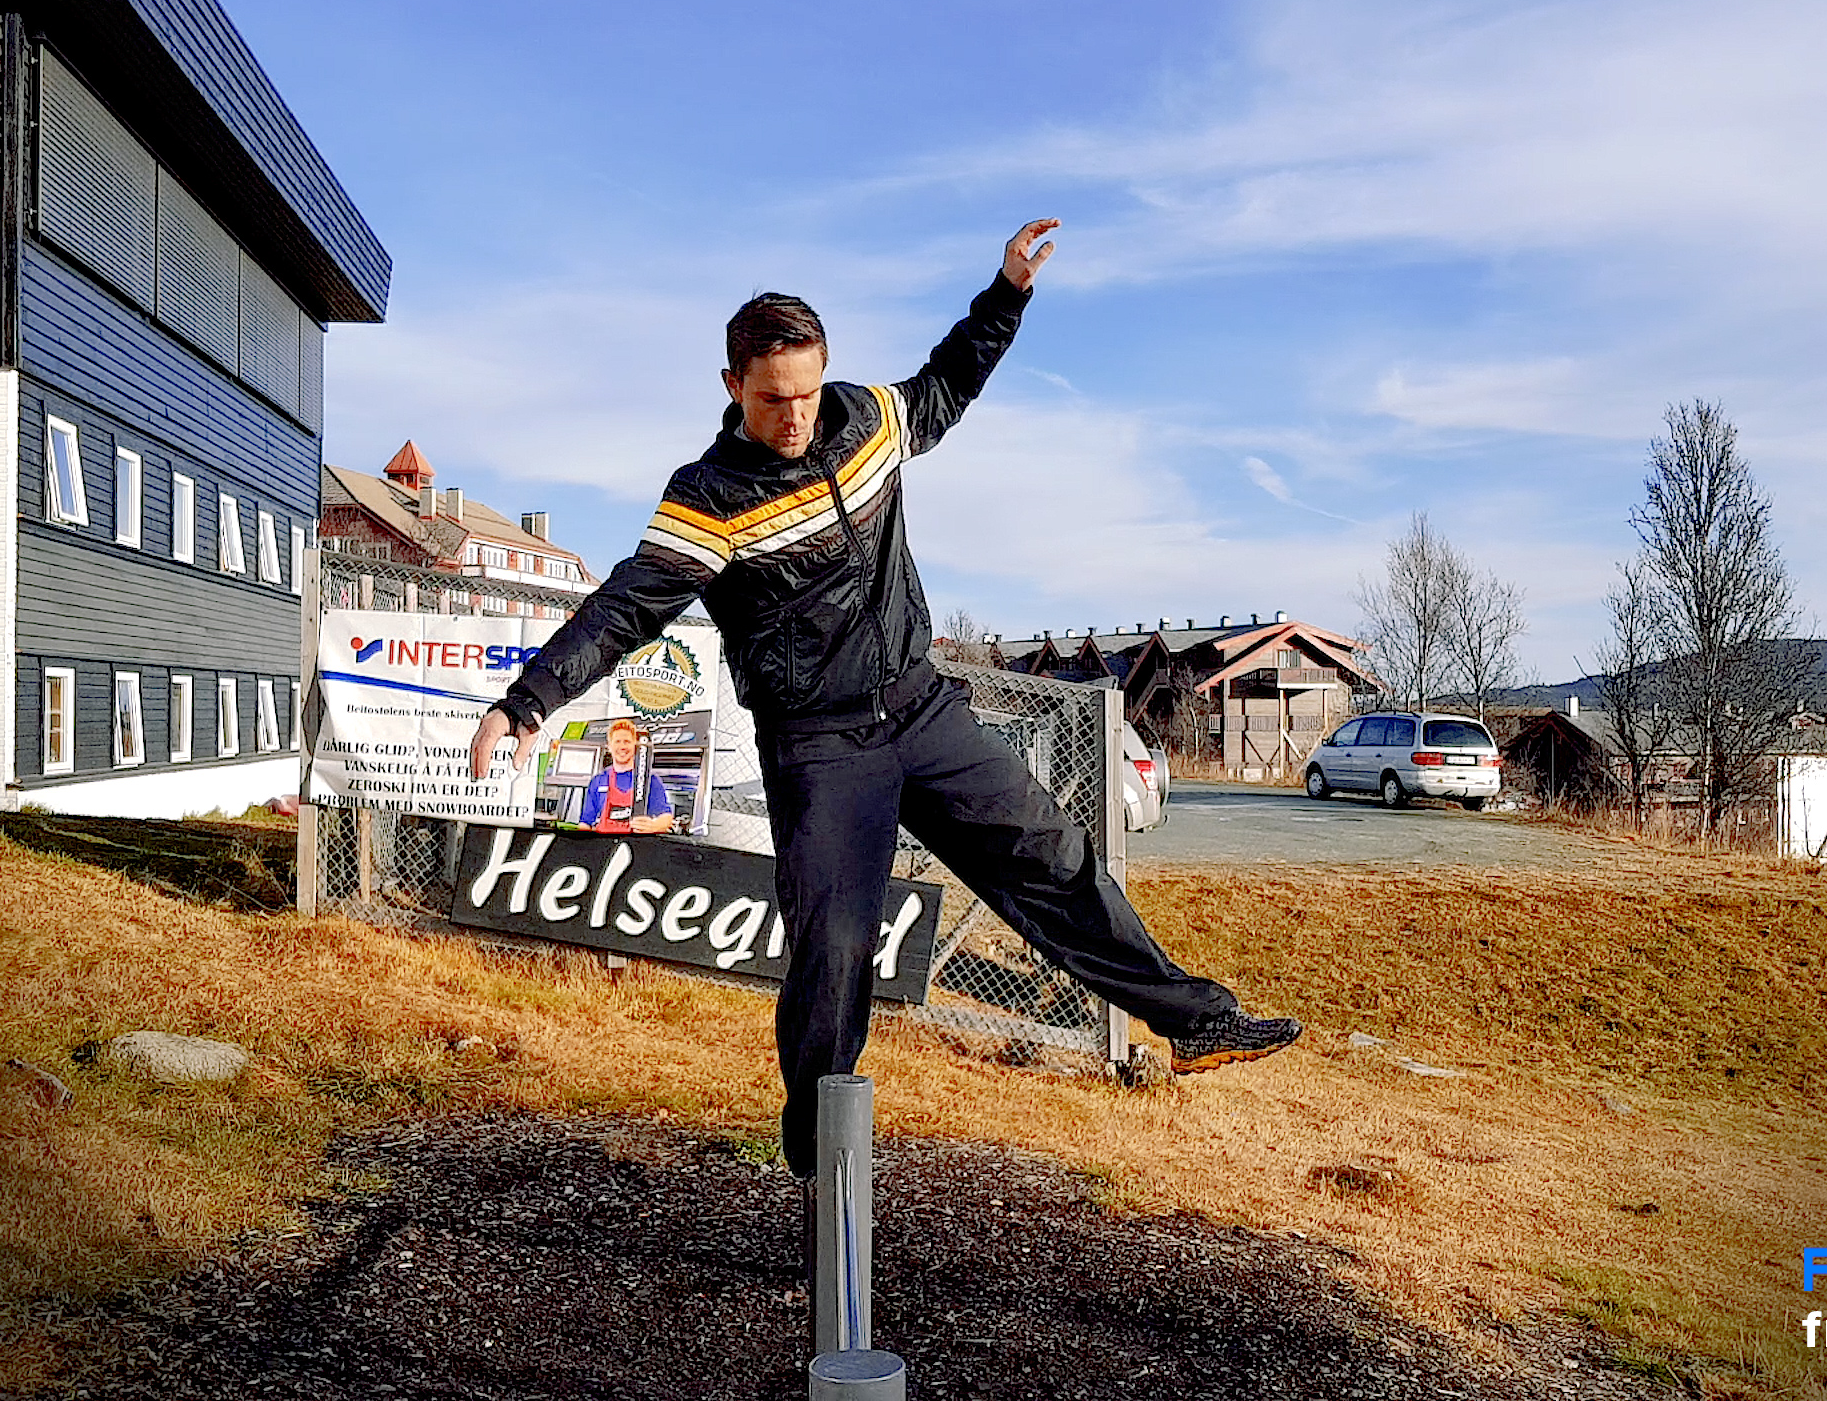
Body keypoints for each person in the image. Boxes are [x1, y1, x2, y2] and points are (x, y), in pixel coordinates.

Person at [472, 219, 1303, 1176]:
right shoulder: (709, 495)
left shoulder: (866, 419)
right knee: (835, 947)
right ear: (733, 385)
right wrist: (526, 702)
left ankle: (1194, 1021)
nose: (794, 416)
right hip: (820, 744)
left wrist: (1007, 293)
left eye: (807, 391)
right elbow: (627, 605)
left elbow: (947, 385)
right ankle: (818, 1146)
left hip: (920, 705)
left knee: (1055, 857)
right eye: (773, 398)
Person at [578, 718, 675, 834]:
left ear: (635, 745)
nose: (622, 747)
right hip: (605, 845)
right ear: (609, 746)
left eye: (627, 741)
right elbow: (585, 824)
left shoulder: (650, 780)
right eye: (617, 741)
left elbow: (666, 818)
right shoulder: (598, 781)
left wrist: (654, 826)